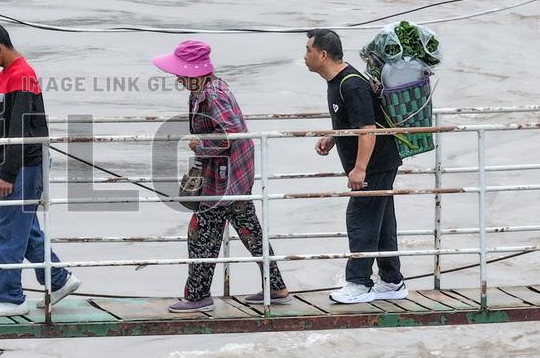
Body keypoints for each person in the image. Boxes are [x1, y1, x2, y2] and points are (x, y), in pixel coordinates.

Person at [152, 40, 289, 312]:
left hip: (228, 175)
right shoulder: (203, 90)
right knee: (249, 229)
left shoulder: (212, 95)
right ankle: (276, 288)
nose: (177, 78)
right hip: (230, 172)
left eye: (181, 72)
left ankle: (198, 296)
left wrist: (199, 145)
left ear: (195, 72)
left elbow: (230, 133)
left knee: (201, 231)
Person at [0, 21, 80, 317]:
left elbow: (20, 130)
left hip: (25, 165)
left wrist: (7, 174)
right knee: (27, 228)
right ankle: (59, 279)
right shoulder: (6, 75)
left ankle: (11, 298)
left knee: (7, 231)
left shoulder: (20, 75)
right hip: (20, 163)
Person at [304, 28, 407, 304]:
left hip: (374, 163)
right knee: (381, 221)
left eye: (308, 50)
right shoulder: (337, 81)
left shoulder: (351, 84)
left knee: (360, 219)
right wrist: (334, 136)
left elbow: (368, 129)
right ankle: (392, 280)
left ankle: (359, 283)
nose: (305, 56)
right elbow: (354, 121)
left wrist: (360, 168)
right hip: (379, 162)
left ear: (322, 55)